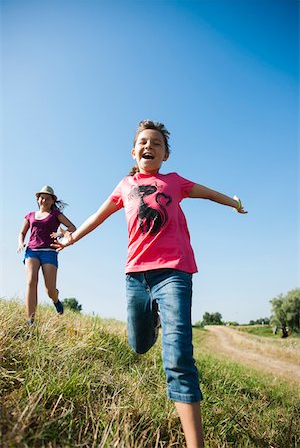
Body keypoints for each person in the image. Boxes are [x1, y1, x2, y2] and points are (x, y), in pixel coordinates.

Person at [52, 120, 247, 448]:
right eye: (143, 142)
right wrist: (71, 238)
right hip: (136, 276)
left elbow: (209, 193)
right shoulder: (125, 185)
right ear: (134, 151)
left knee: (178, 356)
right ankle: (152, 321)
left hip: (174, 272)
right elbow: (97, 216)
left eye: (156, 143)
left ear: (165, 154)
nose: (149, 146)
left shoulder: (174, 181)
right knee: (139, 345)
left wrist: (234, 202)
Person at [17, 185, 76, 325]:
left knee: (49, 289)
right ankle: (30, 320)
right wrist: (20, 243)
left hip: (49, 252)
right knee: (31, 281)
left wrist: (61, 233)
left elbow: (72, 227)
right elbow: (22, 233)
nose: (44, 200)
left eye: (47, 198)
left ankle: (55, 299)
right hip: (32, 251)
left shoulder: (56, 215)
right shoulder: (30, 215)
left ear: (52, 201)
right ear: (38, 199)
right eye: (42, 197)